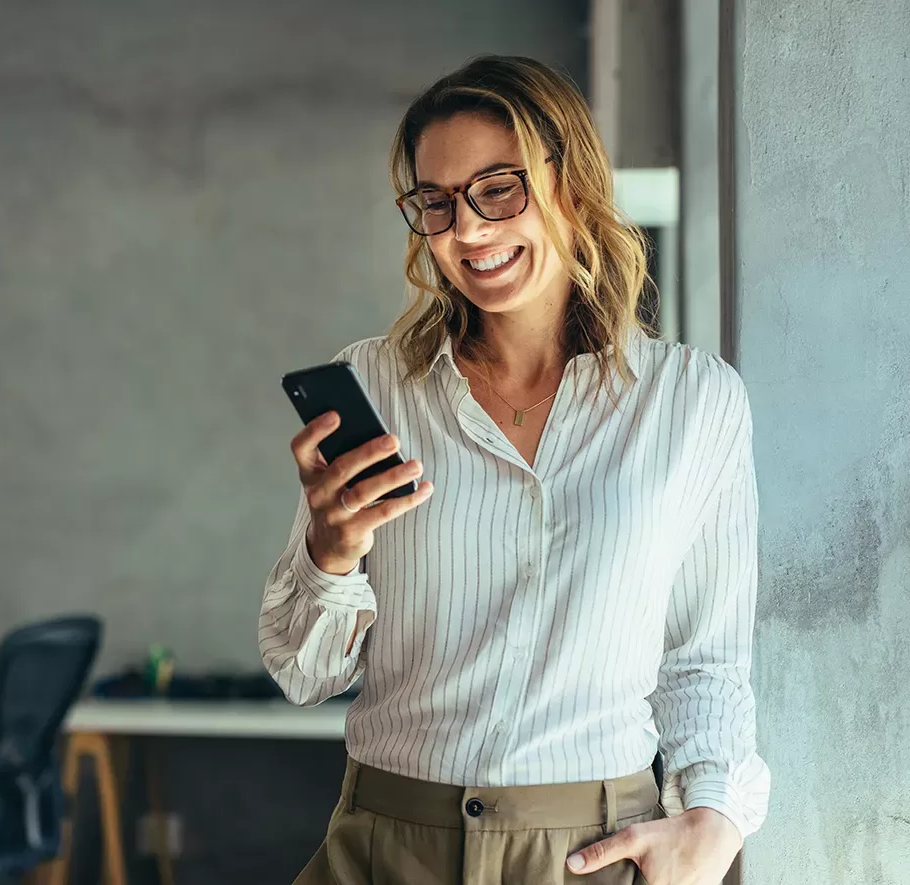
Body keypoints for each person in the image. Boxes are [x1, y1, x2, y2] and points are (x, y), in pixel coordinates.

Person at [260, 56, 767, 885]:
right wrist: (330, 551)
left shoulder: (693, 400)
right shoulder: (379, 386)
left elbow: (705, 659)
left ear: (573, 184)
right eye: (436, 202)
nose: (466, 230)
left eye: (500, 188)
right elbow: (304, 671)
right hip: (388, 843)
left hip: (588, 852)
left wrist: (712, 823)